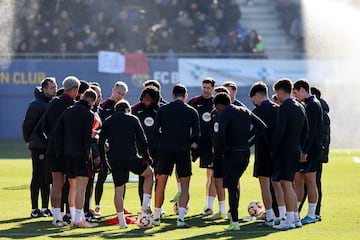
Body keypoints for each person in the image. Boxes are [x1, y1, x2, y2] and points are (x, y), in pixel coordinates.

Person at [213, 93, 266, 231]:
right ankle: (234, 218)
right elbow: (262, 126)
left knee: (231, 187)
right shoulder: (244, 110)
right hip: (245, 153)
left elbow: (220, 134)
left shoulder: (224, 114)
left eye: (217, 108)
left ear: (219, 105)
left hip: (232, 154)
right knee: (234, 183)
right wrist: (249, 142)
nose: (217, 110)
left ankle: (234, 221)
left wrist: (221, 151)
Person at [99, 100, 154, 229]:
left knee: (118, 189)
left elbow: (101, 141)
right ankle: (145, 205)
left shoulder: (108, 121)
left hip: (115, 159)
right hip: (131, 157)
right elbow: (142, 139)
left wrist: (103, 160)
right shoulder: (132, 119)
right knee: (149, 173)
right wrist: (146, 156)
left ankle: (122, 222)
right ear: (128, 109)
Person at [153, 84, 200, 228]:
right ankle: (181, 218)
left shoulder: (163, 109)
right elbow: (197, 134)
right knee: (185, 185)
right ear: (185, 96)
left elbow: (155, 130)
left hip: (165, 149)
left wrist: (164, 141)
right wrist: (190, 143)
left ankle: (156, 217)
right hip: (183, 150)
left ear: (173, 95)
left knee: (161, 183)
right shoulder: (191, 111)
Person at [54, 89, 98, 228]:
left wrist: (62, 153)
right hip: (81, 154)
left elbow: (58, 134)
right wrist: (87, 155)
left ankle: (74, 218)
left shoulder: (67, 111)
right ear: (91, 101)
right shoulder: (88, 114)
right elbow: (86, 137)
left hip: (67, 154)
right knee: (81, 189)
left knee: (72, 187)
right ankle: (79, 220)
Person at [42, 76, 80, 226]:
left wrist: (51, 141)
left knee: (56, 184)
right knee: (72, 184)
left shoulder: (52, 103)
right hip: (68, 150)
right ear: (75, 90)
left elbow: (43, 127)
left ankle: (57, 217)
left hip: (53, 148)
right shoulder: (75, 107)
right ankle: (72, 216)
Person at [271, 78, 309, 230]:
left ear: (280, 91)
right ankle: (295, 218)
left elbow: (279, 132)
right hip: (295, 148)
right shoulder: (300, 106)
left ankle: (289, 220)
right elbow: (306, 131)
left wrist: (274, 149)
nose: (277, 96)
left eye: (276, 93)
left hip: (285, 150)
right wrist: (302, 149)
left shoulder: (284, 108)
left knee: (286, 185)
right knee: (290, 185)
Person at [22, 77, 57, 218]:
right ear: (44, 89)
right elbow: (27, 125)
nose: (54, 89)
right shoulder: (36, 104)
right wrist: (29, 142)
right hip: (38, 146)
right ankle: (34, 208)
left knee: (46, 178)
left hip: (48, 146)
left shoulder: (52, 103)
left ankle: (44, 208)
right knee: (37, 176)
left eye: (55, 87)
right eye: (51, 87)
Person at [95, 81, 129, 217]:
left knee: (122, 178)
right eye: (119, 92)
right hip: (105, 148)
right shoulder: (103, 107)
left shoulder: (124, 108)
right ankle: (97, 206)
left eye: (123, 94)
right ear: (113, 90)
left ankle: (122, 206)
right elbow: (100, 128)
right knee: (101, 177)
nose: (120, 96)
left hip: (119, 149)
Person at [249, 81, 280, 226]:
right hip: (278, 152)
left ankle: (269, 216)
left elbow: (254, 134)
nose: (254, 102)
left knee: (265, 186)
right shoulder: (279, 109)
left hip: (263, 153)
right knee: (279, 186)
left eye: (253, 99)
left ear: (257, 96)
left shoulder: (257, 112)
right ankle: (282, 215)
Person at [293, 79, 323, 225]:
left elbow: (311, 132)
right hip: (308, 149)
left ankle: (312, 214)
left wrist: (305, 151)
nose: (295, 95)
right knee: (300, 180)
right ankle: (295, 212)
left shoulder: (312, 105)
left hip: (311, 150)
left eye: (296, 92)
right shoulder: (309, 103)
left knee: (311, 181)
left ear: (303, 90)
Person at [188, 77, 217, 217]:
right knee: (183, 171)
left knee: (211, 176)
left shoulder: (216, 103)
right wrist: (190, 141)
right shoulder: (194, 102)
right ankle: (181, 200)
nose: (205, 90)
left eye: (208, 88)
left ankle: (209, 206)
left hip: (210, 145)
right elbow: (184, 121)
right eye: (203, 87)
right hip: (195, 144)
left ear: (213, 89)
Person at [131, 86, 160, 208]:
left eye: (149, 99)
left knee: (157, 177)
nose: (146, 101)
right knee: (143, 176)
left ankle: (158, 205)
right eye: (145, 98)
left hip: (156, 149)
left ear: (154, 99)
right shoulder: (135, 109)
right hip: (140, 149)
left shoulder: (159, 110)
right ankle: (144, 205)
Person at [310, 86, 330, 221]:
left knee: (315, 182)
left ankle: (316, 212)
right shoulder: (321, 111)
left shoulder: (320, 113)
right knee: (313, 182)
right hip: (318, 152)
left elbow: (322, 136)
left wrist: (320, 151)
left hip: (317, 153)